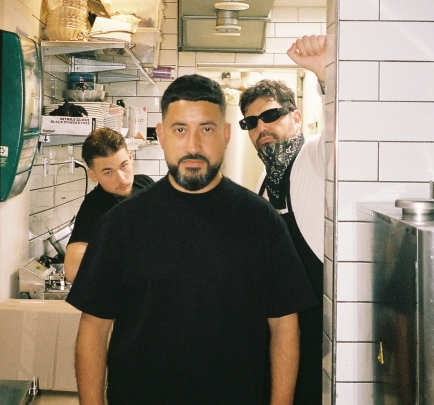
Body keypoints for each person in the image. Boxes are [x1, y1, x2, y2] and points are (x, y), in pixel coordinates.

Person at [66, 74, 317, 405]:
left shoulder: (261, 221)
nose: (194, 145)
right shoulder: (121, 224)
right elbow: (93, 330)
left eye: (207, 129)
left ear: (226, 135)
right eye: (180, 130)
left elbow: (284, 326)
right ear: (162, 136)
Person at [238, 34, 327, 405]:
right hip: (279, 326)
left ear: (296, 117)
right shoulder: (264, 179)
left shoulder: (316, 156)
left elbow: (344, 131)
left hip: (318, 328)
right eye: (251, 122)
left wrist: (324, 74)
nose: (261, 127)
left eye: (271, 115)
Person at [63, 128, 154, 282]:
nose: (121, 178)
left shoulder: (144, 183)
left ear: (130, 157)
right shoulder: (95, 207)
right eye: (108, 172)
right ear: (93, 175)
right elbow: (72, 270)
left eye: (123, 166)